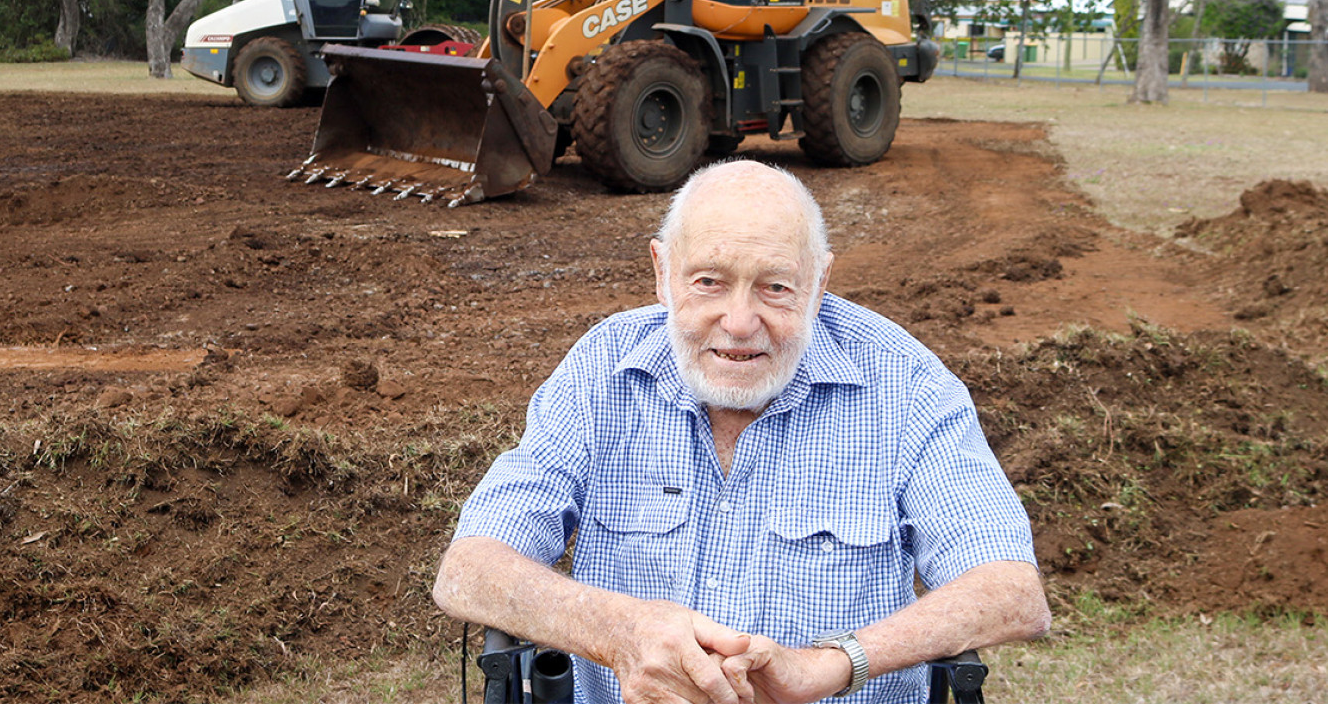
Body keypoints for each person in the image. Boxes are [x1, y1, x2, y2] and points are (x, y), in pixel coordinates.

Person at [434, 160, 1050, 703]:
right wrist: (620, 632)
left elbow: (1009, 589)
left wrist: (832, 666)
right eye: (709, 281)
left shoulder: (905, 385)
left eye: (776, 287)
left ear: (820, 282)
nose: (739, 321)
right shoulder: (603, 370)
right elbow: (470, 568)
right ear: (662, 270)